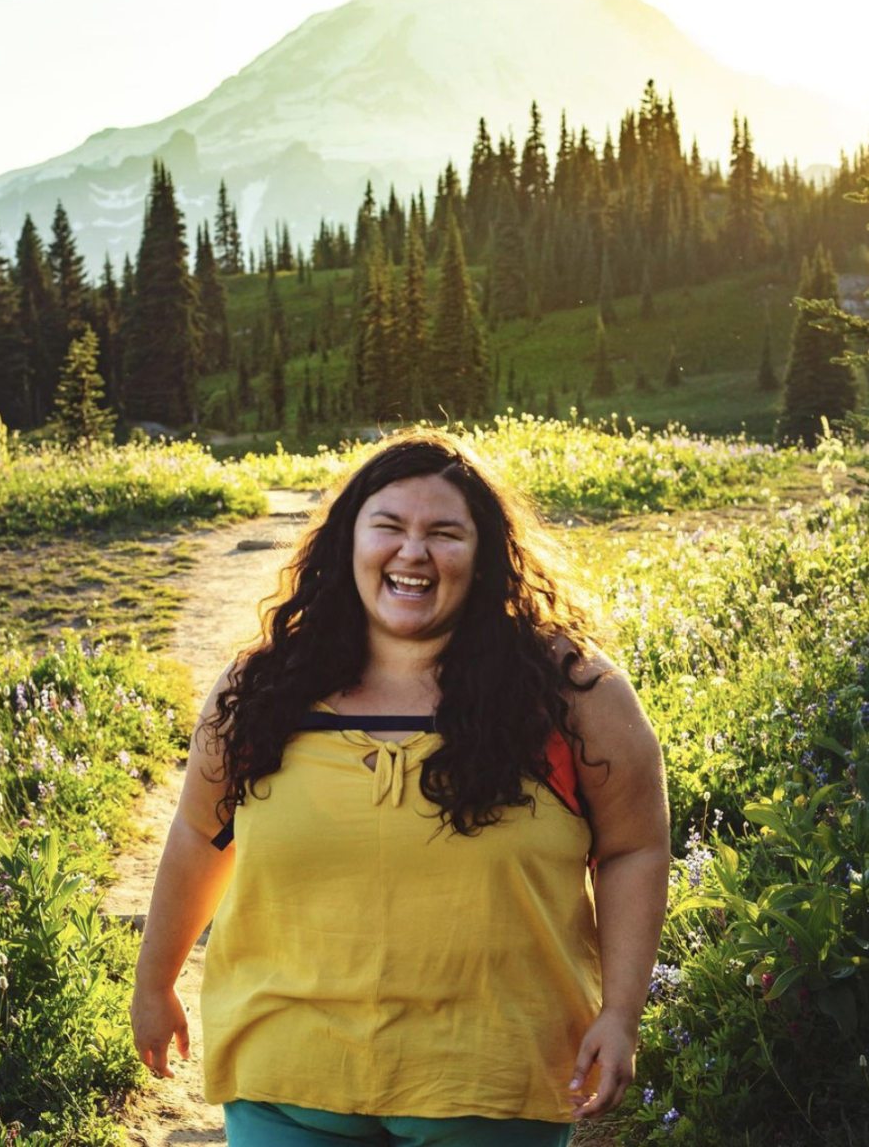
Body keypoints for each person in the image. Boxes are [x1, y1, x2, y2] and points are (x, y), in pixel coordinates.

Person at [130, 430, 670, 1146]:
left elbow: (634, 847)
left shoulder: (572, 692)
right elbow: (201, 834)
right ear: (348, 542)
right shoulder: (262, 689)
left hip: (492, 1080)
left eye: (444, 533)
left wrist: (621, 1013)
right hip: (285, 1074)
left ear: (484, 558)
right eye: (388, 526)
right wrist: (154, 980)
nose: (413, 552)